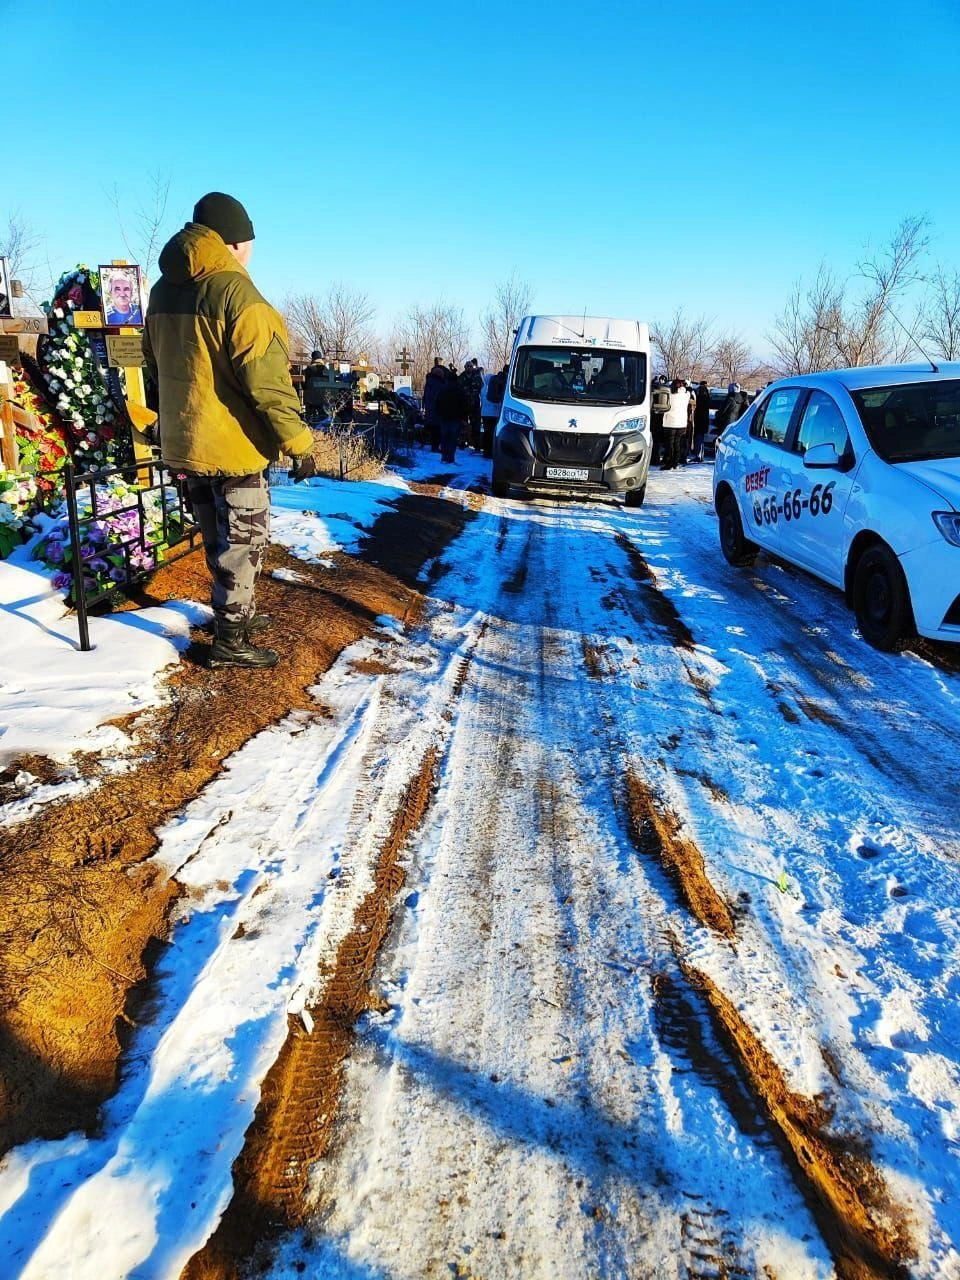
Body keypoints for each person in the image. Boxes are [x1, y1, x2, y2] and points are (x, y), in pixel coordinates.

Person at [143, 191, 315, 671]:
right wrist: (298, 443)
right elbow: (268, 384)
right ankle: (230, 640)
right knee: (243, 544)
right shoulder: (237, 295)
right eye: (251, 242)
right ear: (235, 242)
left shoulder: (162, 290)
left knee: (217, 534)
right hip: (235, 447)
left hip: (186, 441)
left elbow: (153, 366)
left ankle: (234, 616)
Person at [435, 374, 468, 463]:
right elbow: (464, 405)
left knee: (444, 437)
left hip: (444, 417)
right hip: (455, 418)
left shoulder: (442, 390)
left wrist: (439, 414)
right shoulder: (459, 391)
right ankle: (450, 457)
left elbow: (437, 403)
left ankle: (444, 456)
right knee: (453, 438)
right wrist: (463, 416)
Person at [660, 377, 692, 470]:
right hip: (681, 423)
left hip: (670, 422)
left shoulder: (670, 395)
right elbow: (689, 389)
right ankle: (675, 462)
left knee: (670, 444)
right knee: (677, 444)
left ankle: (669, 463)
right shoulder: (686, 395)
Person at [422, 356, 448, 452]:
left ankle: (434, 446)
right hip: (437, 409)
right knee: (438, 429)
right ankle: (436, 447)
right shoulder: (439, 384)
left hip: (430, 408)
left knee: (433, 429)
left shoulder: (429, 382)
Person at [459, 358, 484, 447]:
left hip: (475, 404)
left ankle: (475, 443)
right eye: (467, 367)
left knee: (475, 425)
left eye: (470, 366)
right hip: (464, 405)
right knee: (463, 424)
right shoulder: (461, 377)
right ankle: (462, 441)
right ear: (465, 367)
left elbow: (481, 387)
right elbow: (459, 389)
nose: (469, 368)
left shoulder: (477, 377)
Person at [650, 375, 671, 465]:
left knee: (654, 439)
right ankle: (658, 458)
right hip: (662, 417)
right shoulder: (666, 390)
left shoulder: (652, 390)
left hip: (653, 416)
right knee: (659, 440)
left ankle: (654, 458)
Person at [692, 380, 711, 462]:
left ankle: (698, 456)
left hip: (699, 418)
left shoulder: (699, 392)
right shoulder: (707, 394)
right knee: (701, 438)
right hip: (704, 419)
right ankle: (700, 455)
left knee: (698, 437)